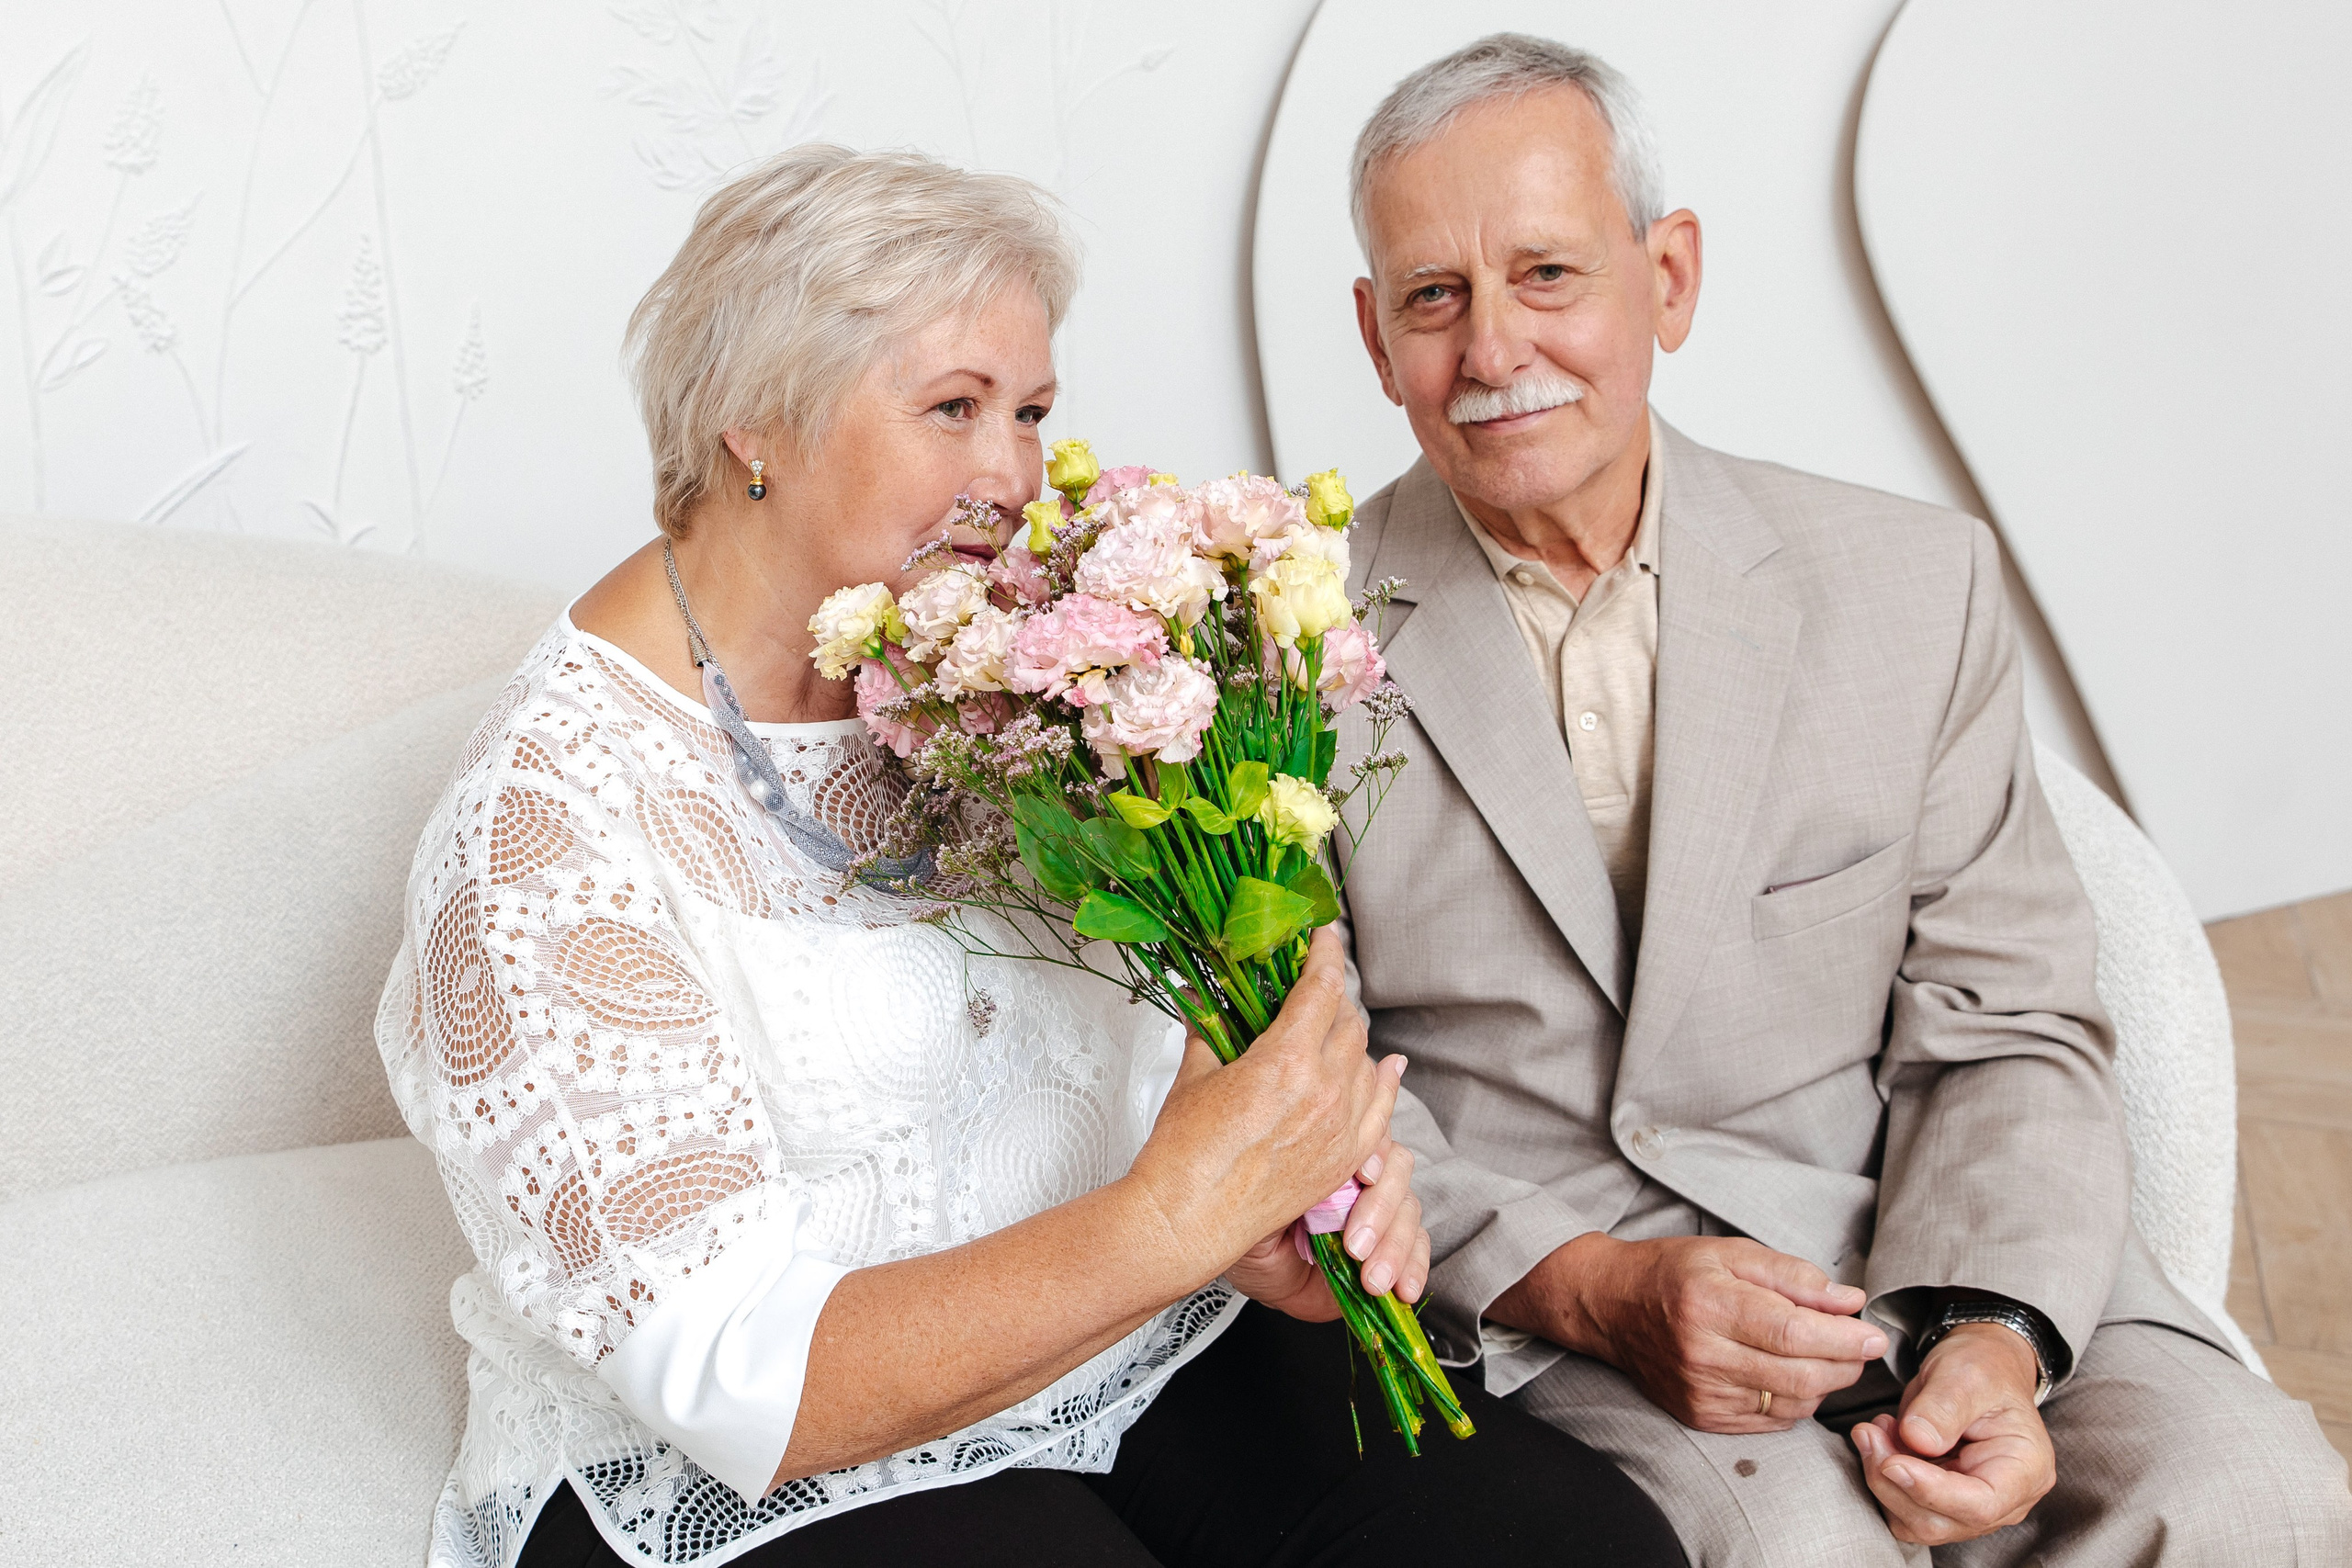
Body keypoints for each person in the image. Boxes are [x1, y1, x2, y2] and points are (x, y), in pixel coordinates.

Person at [377, 144, 1682, 1568]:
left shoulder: (980, 671)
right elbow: (738, 1387)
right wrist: (1174, 1218)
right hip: (771, 1459)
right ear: (755, 417)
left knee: (1580, 1544)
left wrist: (1265, 1212)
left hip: (1122, 1339)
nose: (1013, 472)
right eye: (954, 408)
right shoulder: (546, 823)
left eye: (1032, 409)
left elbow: (1125, 1081)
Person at [1329, 32, 2352, 1566]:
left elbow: (2007, 1021)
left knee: (2249, 1495)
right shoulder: (1263, 647)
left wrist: (1993, 1332)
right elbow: (1297, 1103)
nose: (1491, 350)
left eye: (1547, 274)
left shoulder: (1910, 583)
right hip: (1569, 1308)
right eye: (1434, 296)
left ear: (1668, 278)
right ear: (1373, 334)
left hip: (1922, 1235)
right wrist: (1591, 1285)